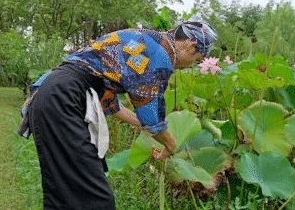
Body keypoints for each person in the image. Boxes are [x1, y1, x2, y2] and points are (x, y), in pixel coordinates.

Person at [18, 15, 218, 210]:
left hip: (56, 94)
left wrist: (143, 126)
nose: (187, 67)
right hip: (63, 98)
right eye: (194, 61)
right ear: (191, 46)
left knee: (68, 189)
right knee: (95, 198)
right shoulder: (161, 54)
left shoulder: (145, 39)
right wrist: (170, 144)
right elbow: (149, 113)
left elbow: (111, 103)